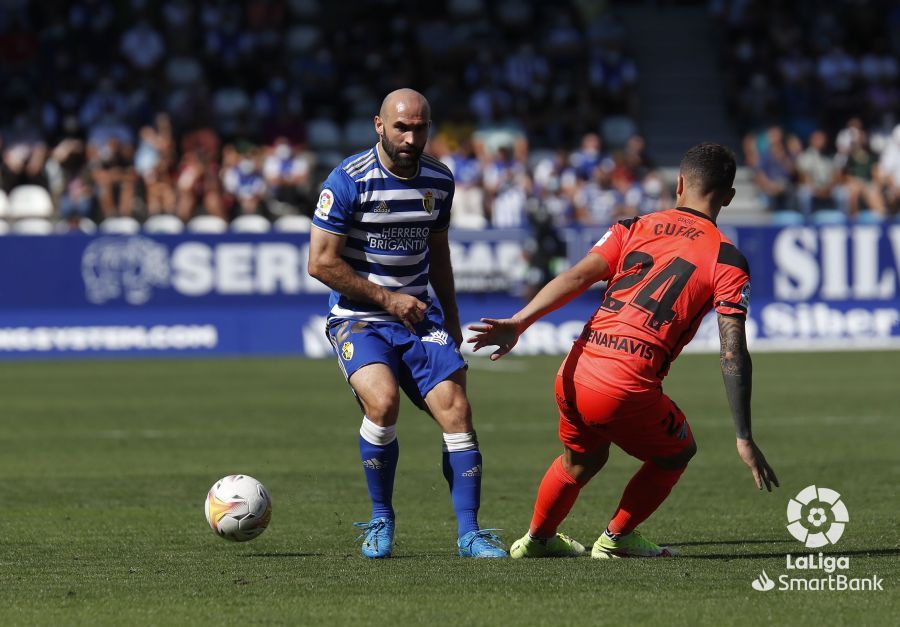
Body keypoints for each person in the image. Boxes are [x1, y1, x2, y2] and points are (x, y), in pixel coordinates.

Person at [468, 143, 779, 559]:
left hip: (574, 371)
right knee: (678, 451)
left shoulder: (633, 226)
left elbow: (579, 275)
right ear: (729, 196)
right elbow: (732, 352)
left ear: (680, 184)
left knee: (582, 460)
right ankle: (616, 538)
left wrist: (520, 321)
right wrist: (744, 436)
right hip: (623, 385)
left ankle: (538, 540)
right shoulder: (728, 259)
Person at [307, 88, 507, 559]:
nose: (411, 137)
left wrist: (452, 320)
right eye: (401, 127)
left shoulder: (439, 180)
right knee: (383, 402)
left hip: (419, 316)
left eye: (420, 128)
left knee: (457, 411)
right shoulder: (348, 180)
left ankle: (470, 534)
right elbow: (320, 263)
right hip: (359, 319)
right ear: (379, 125)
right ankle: (381, 520)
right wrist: (386, 299)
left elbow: (438, 253)